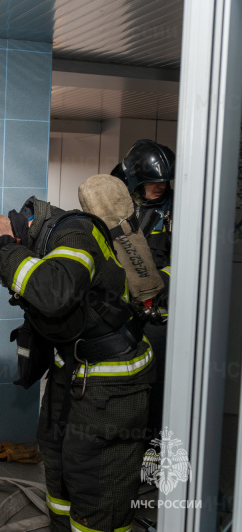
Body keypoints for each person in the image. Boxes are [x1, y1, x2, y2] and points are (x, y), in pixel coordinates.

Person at [0, 197, 154, 532]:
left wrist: (3, 251)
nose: (0, 276)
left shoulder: (73, 232)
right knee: (57, 455)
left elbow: (55, 293)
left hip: (114, 373)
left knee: (94, 474)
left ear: (3, 237)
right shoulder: (36, 244)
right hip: (74, 367)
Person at [111, 139, 175, 440]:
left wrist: (157, 282)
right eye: (153, 181)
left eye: (164, 180)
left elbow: (186, 264)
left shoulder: (177, 212)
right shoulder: (121, 208)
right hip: (122, 315)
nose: (161, 186)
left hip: (159, 321)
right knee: (123, 385)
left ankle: (153, 452)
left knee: (155, 387)